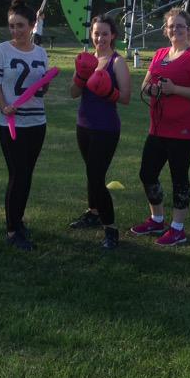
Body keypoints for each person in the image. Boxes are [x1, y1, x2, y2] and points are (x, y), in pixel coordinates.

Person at [130, 8, 190, 246]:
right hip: (158, 126)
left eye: (181, 26)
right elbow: (145, 84)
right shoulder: (160, 54)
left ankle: (177, 228)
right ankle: (157, 219)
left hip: (184, 129)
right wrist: (152, 89)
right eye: (172, 26)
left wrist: (175, 89)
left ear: (189, 30)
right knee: (147, 173)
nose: (176, 30)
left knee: (179, 177)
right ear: (166, 30)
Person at [0, 0, 51, 251]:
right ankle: (13, 231)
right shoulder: (0, 51)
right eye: (12, 26)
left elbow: (41, 84)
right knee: (17, 174)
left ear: (32, 25)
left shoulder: (40, 52)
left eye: (20, 26)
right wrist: (3, 106)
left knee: (27, 175)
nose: (16, 31)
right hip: (12, 124)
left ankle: (18, 221)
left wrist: (43, 89)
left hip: (37, 121)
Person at [68, 16, 132, 250]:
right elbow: (73, 93)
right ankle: (93, 213)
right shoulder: (88, 59)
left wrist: (108, 91)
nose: (100, 38)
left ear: (112, 35)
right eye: (96, 33)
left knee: (96, 177)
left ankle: (111, 228)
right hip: (83, 125)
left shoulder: (117, 62)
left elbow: (125, 98)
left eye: (104, 33)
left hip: (106, 128)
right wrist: (81, 77)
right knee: (90, 173)